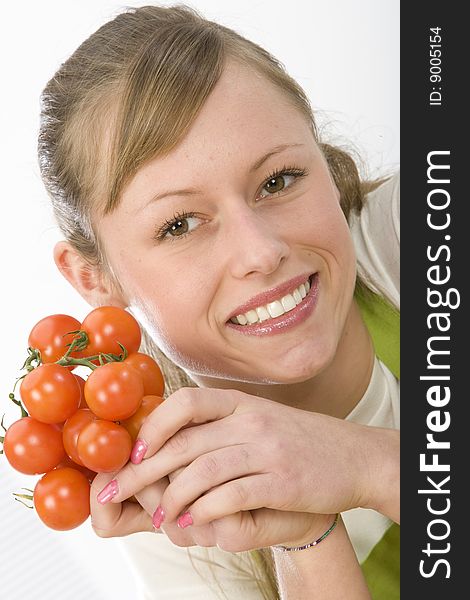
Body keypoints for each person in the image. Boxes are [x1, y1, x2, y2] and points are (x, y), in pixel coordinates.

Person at [38, 4, 399, 599]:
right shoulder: (170, 505)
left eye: (279, 180)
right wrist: (307, 536)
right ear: (93, 279)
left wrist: (368, 465)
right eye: (180, 224)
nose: (260, 252)